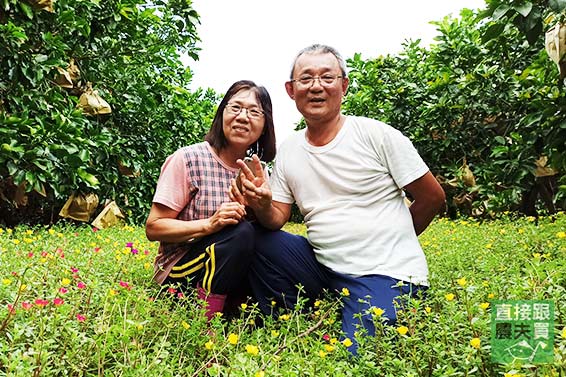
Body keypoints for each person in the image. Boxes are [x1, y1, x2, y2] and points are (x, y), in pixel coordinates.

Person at [231, 44, 446, 354]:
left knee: (356, 356)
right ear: (291, 90)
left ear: (343, 85)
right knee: (257, 238)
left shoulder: (377, 135)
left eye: (327, 77)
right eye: (306, 79)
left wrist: (394, 239)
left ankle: (366, 310)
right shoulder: (289, 151)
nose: (316, 86)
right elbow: (276, 218)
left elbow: (432, 197)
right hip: (322, 269)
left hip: (383, 272)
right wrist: (261, 203)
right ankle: (293, 316)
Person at [146, 80, 276, 321]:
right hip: (179, 274)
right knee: (240, 232)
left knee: (263, 237)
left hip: (227, 271)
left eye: (254, 111)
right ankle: (206, 321)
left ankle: (246, 308)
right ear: (221, 115)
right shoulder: (188, 159)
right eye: (235, 108)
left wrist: (261, 207)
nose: (243, 117)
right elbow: (154, 227)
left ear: (265, 124)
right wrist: (210, 224)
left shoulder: (259, 172)